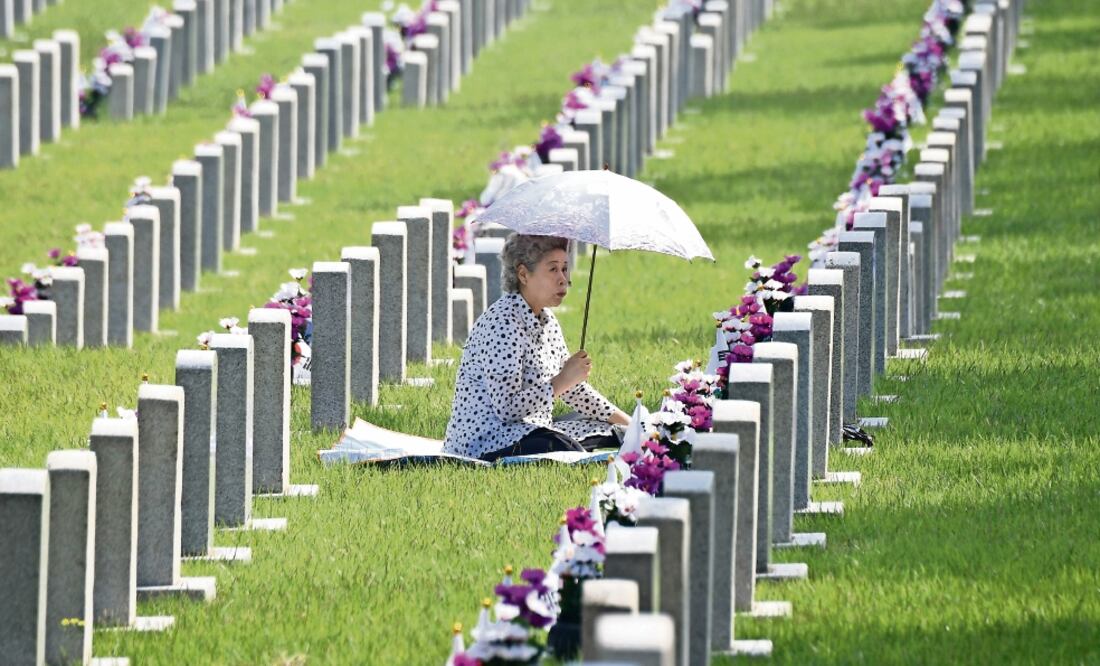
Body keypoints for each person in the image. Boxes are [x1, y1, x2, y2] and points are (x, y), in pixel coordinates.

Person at [443, 234, 630, 462]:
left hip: (532, 429)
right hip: (486, 441)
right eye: (553, 270)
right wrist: (562, 380)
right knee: (563, 446)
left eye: (564, 268)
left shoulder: (547, 319)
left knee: (608, 430)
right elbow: (507, 409)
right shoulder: (503, 323)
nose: (563, 279)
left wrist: (630, 423)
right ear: (523, 274)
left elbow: (573, 390)